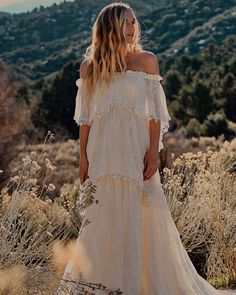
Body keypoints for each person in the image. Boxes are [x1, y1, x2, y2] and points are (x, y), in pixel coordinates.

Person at [59, 2, 236, 294]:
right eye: (126, 22)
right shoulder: (90, 68)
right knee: (101, 219)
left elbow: (154, 114)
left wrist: (153, 152)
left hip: (136, 151)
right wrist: (83, 161)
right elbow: (86, 120)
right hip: (102, 153)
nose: (132, 27)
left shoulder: (147, 61)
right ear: (111, 28)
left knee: (145, 216)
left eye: (133, 21)